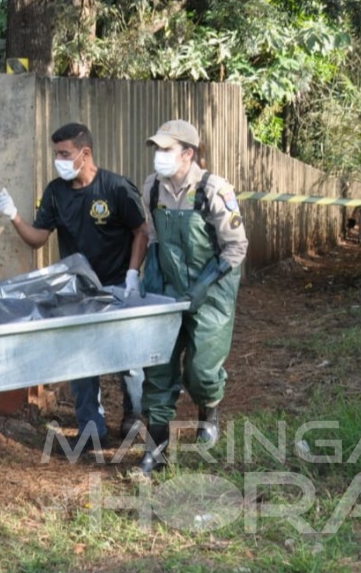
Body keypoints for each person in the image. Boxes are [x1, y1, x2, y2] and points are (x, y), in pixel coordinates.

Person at [0, 123, 149, 447]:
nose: (59, 160)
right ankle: (92, 427)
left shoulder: (116, 188)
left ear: (85, 153)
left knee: (129, 359)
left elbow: (141, 231)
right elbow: (39, 239)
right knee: (81, 359)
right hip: (78, 288)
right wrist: (14, 217)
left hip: (118, 285)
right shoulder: (56, 192)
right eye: (56, 154)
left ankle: (135, 415)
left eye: (64, 154)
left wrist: (133, 274)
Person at [138, 119, 248, 475]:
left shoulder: (213, 190)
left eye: (166, 150)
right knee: (158, 367)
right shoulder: (152, 189)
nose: (159, 156)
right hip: (168, 290)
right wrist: (147, 283)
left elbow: (236, 247)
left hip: (212, 293)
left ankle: (209, 409)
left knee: (201, 372)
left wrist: (204, 285)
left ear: (188, 154)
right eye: (157, 149)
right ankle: (157, 449)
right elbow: (153, 238)